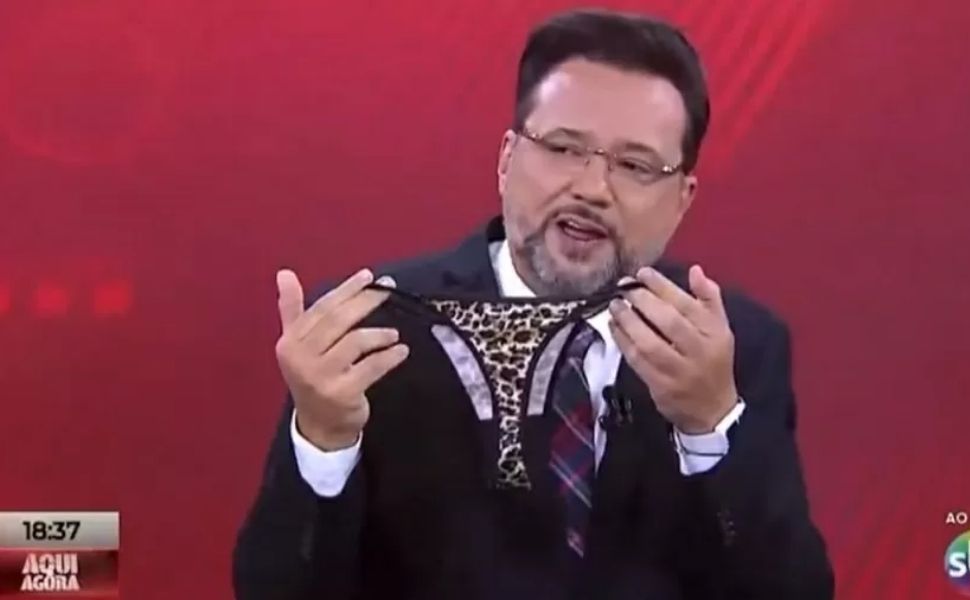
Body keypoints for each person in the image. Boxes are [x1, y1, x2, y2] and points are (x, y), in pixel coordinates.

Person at [233, 8, 834, 599]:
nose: (592, 189)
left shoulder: (735, 350)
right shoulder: (372, 330)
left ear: (682, 198)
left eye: (634, 165)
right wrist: (323, 439)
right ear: (506, 160)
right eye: (564, 149)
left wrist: (710, 427)